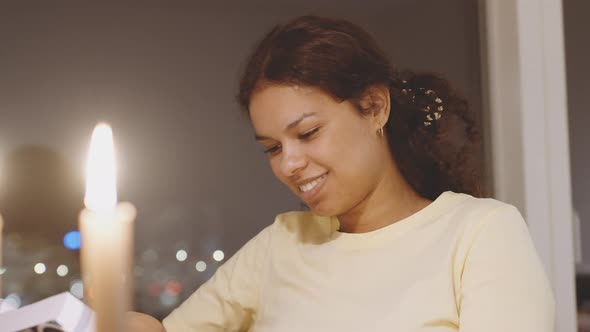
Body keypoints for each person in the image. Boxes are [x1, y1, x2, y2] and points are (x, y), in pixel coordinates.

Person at [130, 15, 555, 331]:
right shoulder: (282, 244)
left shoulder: (479, 234)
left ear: (374, 107)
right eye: (273, 148)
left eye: (309, 133)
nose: (289, 164)